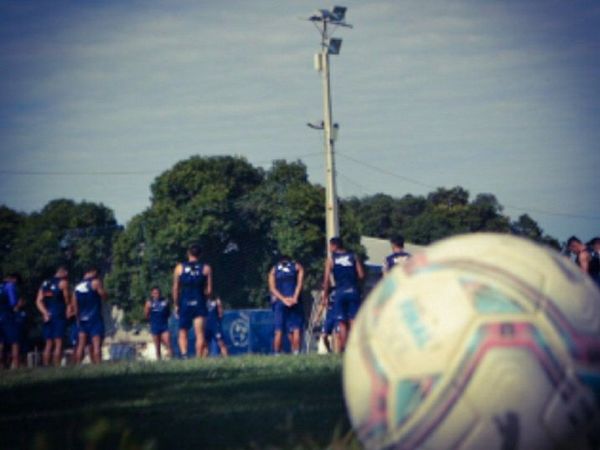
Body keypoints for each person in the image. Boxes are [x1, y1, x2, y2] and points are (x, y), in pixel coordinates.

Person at [322, 237, 364, 353]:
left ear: (334, 246)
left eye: (330, 246)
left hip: (340, 292)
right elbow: (361, 275)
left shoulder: (331, 259)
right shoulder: (354, 256)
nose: (329, 249)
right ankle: (355, 348)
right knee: (353, 321)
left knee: (341, 322)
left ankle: (345, 350)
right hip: (353, 290)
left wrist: (325, 295)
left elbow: (326, 280)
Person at [172, 244, 212, 358]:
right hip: (199, 301)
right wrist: (206, 299)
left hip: (184, 301)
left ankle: (184, 355)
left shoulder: (179, 267)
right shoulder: (206, 268)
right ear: (200, 255)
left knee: (183, 331)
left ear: (188, 254)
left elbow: (175, 288)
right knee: (200, 333)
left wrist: (176, 304)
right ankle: (199, 358)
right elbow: (209, 290)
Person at [36, 265, 71, 366]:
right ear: (63, 272)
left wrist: (45, 312)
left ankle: (46, 365)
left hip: (47, 315)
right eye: (66, 273)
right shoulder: (63, 283)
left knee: (48, 343)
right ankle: (57, 365)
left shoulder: (45, 283)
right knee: (58, 341)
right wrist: (68, 308)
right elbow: (67, 299)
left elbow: (38, 301)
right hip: (58, 313)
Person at [268, 255, 304, 354]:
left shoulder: (274, 270)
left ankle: (277, 354)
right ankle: (296, 353)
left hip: (280, 302)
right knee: (296, 329)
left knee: (278, 330)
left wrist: (283, 299)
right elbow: (300, 284)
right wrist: (295, 297)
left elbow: (272, 288)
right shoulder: (296, 267)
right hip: (294, 301)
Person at [73, 266, 108, 364]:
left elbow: (75, 305)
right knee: (97, 345)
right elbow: (104, 296)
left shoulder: (77, 287)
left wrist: (77, 318)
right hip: (94, 317)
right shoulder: (96, 282)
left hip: (82, 319)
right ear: (91, 272)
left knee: (81, 345)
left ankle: (77, 367)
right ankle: (98, 367)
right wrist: (105, 293)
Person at [0, 273, 24, 369]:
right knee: (15, 341)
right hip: (7, 317)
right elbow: (13, 304)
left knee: (1, 342)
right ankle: (16, 365)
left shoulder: (2, 286)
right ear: (14, 279)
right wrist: (20, 304)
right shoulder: (10, 286)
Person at [144, 286, 171, 360]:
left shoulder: (165, 301)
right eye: (155, 293)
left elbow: (168, 312)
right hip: (155, 325)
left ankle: (172, 358)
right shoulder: (149, 302)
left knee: (168, 343)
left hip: (164, 325)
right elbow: (146, 314)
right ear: (152, 294)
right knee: (157, 345)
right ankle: (159, 360)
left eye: (158, 293)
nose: (157, 295)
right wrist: (150, 321)